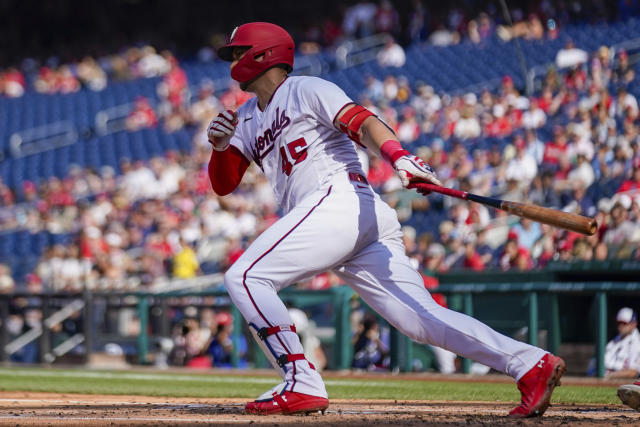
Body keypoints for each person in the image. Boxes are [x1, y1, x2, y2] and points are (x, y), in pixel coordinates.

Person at [208, 22, 564, 417]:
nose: (233, 61)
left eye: (238, 52)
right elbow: (224, 184)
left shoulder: (305, 88)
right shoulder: (246, 117)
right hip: (346, 218)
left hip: (337, 200)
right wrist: (221, 147)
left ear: (262, 53)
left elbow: (362, 121)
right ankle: (530, 363)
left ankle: (301, 381)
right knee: (420, 320)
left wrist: (399, 156)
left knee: (245, 276)